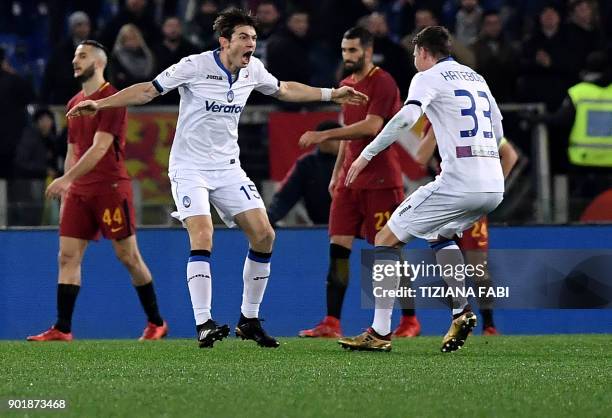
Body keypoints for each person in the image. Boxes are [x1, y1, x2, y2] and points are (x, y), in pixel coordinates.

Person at [66, 9, 367, 349]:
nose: (250, 43)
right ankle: (203, 322)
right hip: (189, 167)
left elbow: (283, 90)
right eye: (243, 37)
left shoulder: (252, 69)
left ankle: (249, 320)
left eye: (253, 38)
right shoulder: (194, 65)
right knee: (203, 232)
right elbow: (148, 91)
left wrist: (331, 93)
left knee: (264, 235)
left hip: (227, 167)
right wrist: (101, 104)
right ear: (224, 42)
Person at [339, 26, 505, 353]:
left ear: (424, 52)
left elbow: (405, 119)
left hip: (460, 183)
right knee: (440, 234)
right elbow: (498, 128)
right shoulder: (475, 78)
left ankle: (380, 332)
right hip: (493, 185)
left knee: (385, 240)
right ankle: (461, 311)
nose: (414, 59)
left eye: (415, 53)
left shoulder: (427, 77)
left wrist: (367, 153)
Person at [27, 40, 168, 342]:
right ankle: (62, 328)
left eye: (83, 56)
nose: (76, 61)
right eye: (75, 56)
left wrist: (66, 180)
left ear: (99, 62)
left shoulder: (113, 100)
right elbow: (73, 150)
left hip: (111, 189)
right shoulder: (73, 102)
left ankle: (156, 322)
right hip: (79, 191)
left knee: (127, 256)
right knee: (67, 256)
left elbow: (100, 148)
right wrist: (68, 187)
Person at [297, 27, 412, 339]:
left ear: (368, 50)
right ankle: (332, 323)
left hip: (381, 180)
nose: (347, 57)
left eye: (352, 51)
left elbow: (372, 127)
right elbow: (350, 132)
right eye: (344, 50)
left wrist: (324, 135)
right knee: (338, 251)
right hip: (350, 181)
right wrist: (337, 173)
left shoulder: (383, 82)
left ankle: (410, 320)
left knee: (387, 252)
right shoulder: (346, 85)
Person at [393, 117, 518, 337]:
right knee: (459, 265)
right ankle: (471, 323)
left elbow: (509, 155)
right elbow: (422, 158)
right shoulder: (454, 122)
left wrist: (495, 185)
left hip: (462, 199)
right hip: (455, 199)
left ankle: (485, 325)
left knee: (472, 265)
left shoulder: (471, 122)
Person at [267, 120, 341, 226]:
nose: (339, 142)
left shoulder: (353, 161)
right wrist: (269, 220)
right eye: (334, 139)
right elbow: (285, 197)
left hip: (353, 225)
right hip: (320, 226)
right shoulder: (306, 164)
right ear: (320, 140)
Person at [109, 24, 156, 91]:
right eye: (127, 39)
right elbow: (118, 82)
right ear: (122, 41)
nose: (131, 42)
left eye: (134, 38)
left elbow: (154, 78)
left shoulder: (149, 56)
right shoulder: (116, 58)